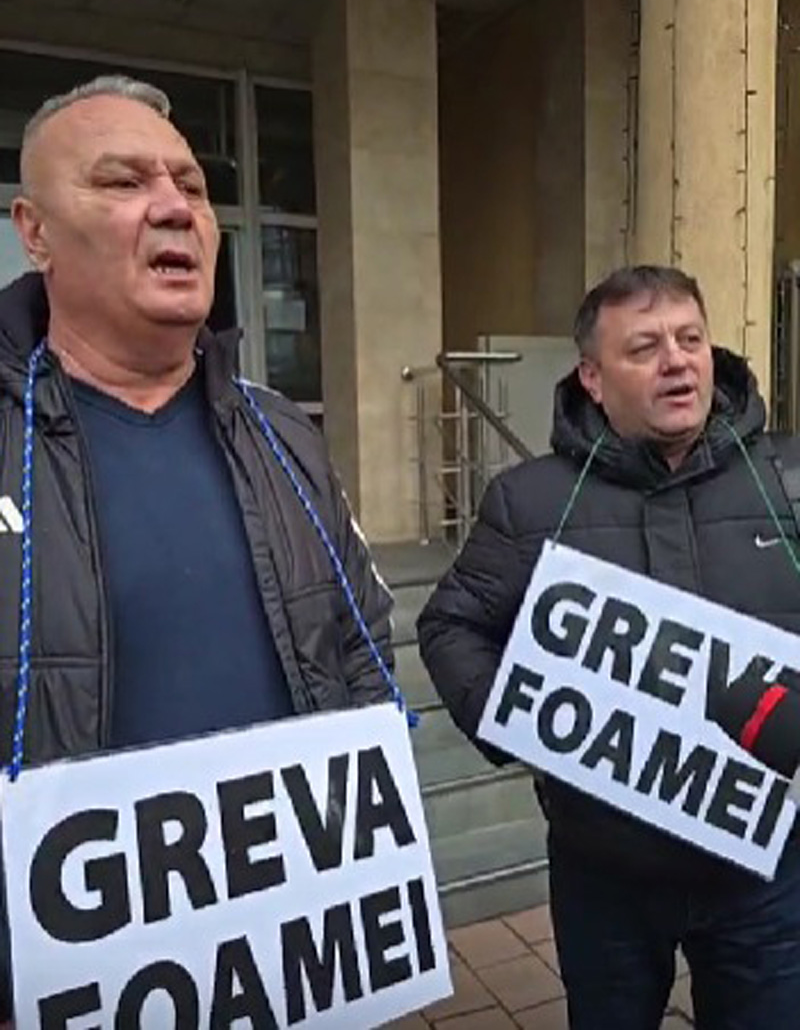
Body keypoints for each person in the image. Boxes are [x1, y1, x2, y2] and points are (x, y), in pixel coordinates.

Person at [0, 75, 396, 1024]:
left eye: (191, 184)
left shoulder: (284, 433)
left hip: (293, 964)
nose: (175, 206)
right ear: (35, 231)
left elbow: (362, 644)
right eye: (123, 181)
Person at [417, 265, 800, 1030]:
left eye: (691, 339)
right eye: (645, 347)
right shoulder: (528, 500)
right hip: (604, 868)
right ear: (592, 377)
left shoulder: (786, 480)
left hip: (764, 869)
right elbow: (449, 625)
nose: (677, 361)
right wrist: (521, 719)